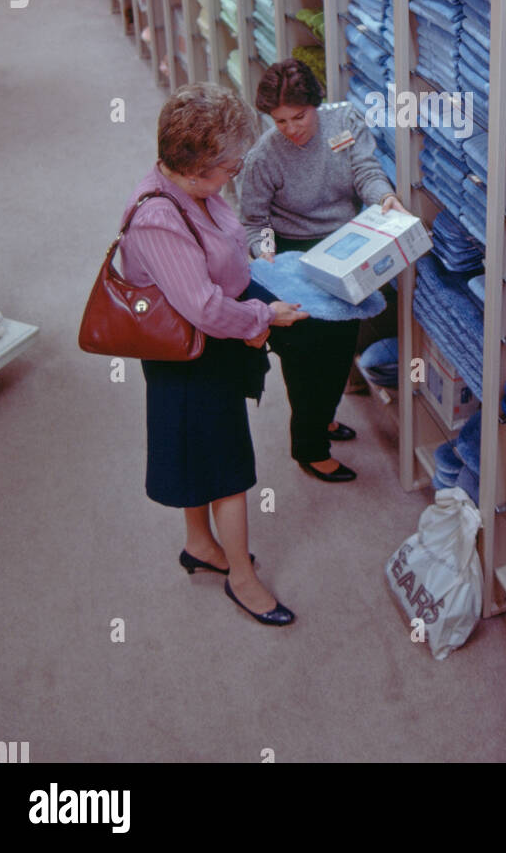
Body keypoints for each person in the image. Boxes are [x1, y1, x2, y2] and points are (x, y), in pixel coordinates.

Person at [118, 83, 308, 626]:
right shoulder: (159, 217)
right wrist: (260, 320)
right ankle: (242, 581)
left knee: (195, 450)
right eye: (230, 165)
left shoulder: (194, 189)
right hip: (191, 355)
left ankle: (199, 543)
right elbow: (201, 306)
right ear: (197, 166)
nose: (236, 172)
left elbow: (221, 257)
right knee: (226, 464)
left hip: (208, 339)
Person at [239, 58, 407, 482]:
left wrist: (382, 197)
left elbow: (366, 171)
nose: (292, 128)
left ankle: (325, 418)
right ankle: (309, 447)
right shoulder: (264, 157)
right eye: (280, 121)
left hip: (343, 246)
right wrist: (268, 258)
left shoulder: (344, 121)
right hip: (292, 254)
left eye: (299, 116)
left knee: (339, 346)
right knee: (304, 358)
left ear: (316, 103)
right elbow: (253, 222)